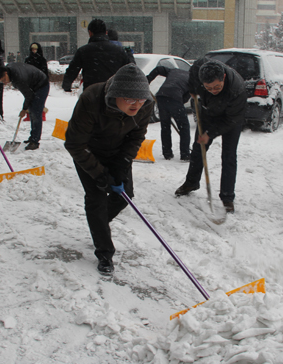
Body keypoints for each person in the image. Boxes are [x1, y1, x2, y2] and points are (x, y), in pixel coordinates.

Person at [64, 64, 153, 275]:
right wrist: (100, 174)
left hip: (118, 151)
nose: (137, 105)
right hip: (88, 151)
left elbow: (136, 136)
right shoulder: (92, 99)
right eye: (130, 99)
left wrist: (122, 163)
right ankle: (104, 252)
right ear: (115, 95)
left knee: (124, 195)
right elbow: (75, 143)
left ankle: (99, 224)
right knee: (96, 198)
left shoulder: (146, 103)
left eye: (141, 99)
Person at [174, 58, 247, 214]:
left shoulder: (236, 89)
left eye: (217, 87)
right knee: (198, 149)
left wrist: (210, 134)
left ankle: (227, 197)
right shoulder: (199, 70)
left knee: (228, 156)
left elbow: (231, 120)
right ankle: (191, 182)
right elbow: (194, 72)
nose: (213, 90)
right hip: (208, 112)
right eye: (209, 88)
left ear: (224, 78)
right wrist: (192, 89)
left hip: (230, 118)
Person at [62, 19, 132, 92]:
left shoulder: (83, 51)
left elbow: (72, 70)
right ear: (106, 32)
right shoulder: (119, 50)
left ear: (90, 33)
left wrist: (66, 85)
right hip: (112, 92)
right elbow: (130, 69)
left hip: (91, 92)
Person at [0, 63, 50, 150]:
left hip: (41, 85)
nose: (5, 82)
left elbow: (28, 95)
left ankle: (35, 141)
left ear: (5, 73)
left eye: (4, 79)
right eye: (2, 82)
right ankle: (33, 137)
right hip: (34, 84)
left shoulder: (18, 79)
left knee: (35, 112)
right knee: (32, 111)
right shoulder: (10, 69)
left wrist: (24, 109)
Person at [146, 65, 191, 161]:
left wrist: (148, 79)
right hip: (175, 97)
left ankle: (167, 153)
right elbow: (186, 98)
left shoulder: (174, 70)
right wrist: (176, 107)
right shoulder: (192, 80)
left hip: (161, 95)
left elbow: (158, 69)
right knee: (184, 127)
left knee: (165, 126)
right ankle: (185, 154)